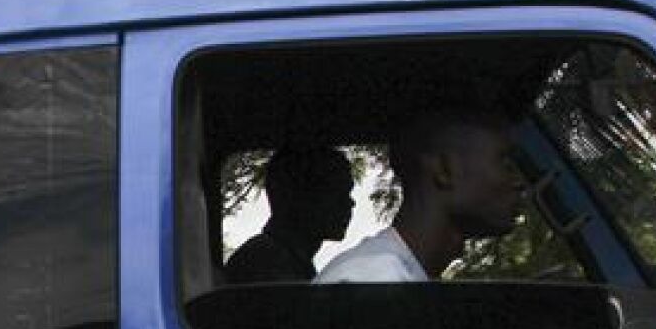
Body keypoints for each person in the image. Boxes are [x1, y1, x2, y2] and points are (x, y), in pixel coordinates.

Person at [316, 106, 523, 283]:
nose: (518, 182)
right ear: (445, 169)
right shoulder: (379, 279)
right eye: (505, 164)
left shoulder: (392, 276)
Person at [224, 146, 355, 283]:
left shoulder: (283, 259)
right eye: (337, 192)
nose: (350, 203)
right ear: (300, 196)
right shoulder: (268, 265)